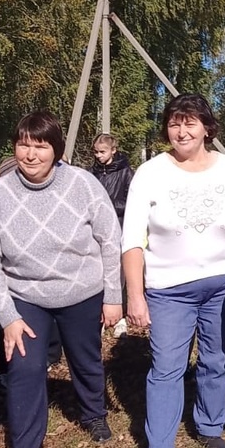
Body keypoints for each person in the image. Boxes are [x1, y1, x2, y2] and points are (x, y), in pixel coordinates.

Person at [0, 111, 122, 448]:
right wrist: (7, 316)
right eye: (23, 145)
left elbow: (110, 239)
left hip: (81, 291)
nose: (31, 154)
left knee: (85, 358)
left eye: (40, 146)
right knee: (24, 368)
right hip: (26, 297)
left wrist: (113, 295)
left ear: (56, 149)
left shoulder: (83, 184)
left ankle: (93, 413)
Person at [123, 95, 225, 448]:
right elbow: (132, 239)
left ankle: (209, 425)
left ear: (207, 128)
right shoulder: (150, 173)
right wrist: (135, 296)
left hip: (223, 284)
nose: (181, 131)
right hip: (168, 289)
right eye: (174, 123)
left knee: (216, 360)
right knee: (167, 367)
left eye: (190, 123)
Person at [91, 133, 136, 337]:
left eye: (102, 152)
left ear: (113, 150)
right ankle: (100, 316)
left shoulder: (126, 173)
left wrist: (108, 206)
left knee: (120, 273)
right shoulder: (91, 173)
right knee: (98, 272)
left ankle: (122, 317)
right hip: (95, 229)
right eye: (96, 152)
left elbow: (132, 201)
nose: (99, 156)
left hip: (119, 226)